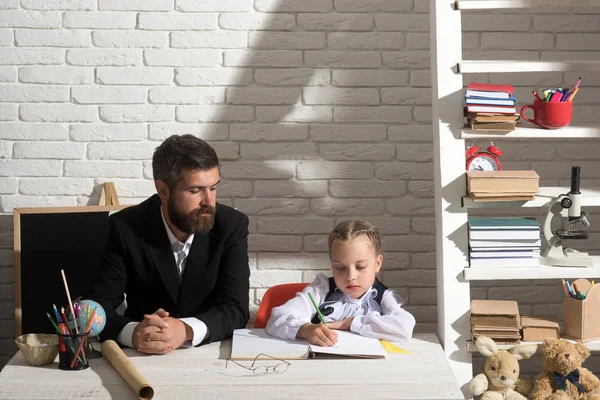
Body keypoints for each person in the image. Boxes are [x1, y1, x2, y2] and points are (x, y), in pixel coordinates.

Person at [89, 134, 250, 355]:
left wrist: (185, 329)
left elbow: (236, 309)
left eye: (213, 188)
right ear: (163, 190)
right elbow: (99, 307)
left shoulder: (232, 225)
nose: (209, 202)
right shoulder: (124, 227)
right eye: (195, 190)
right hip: (141, 357)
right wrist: (133, 333)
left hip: (209, 355)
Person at [266, 220, 415, 347]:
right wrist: (305, 329)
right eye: (340, 268)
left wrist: (350, 323)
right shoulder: (322, 288)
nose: (350, 277)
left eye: (360, 267)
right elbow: (277, 317)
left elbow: (405, 327)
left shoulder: (383, 296)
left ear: (377, 263)